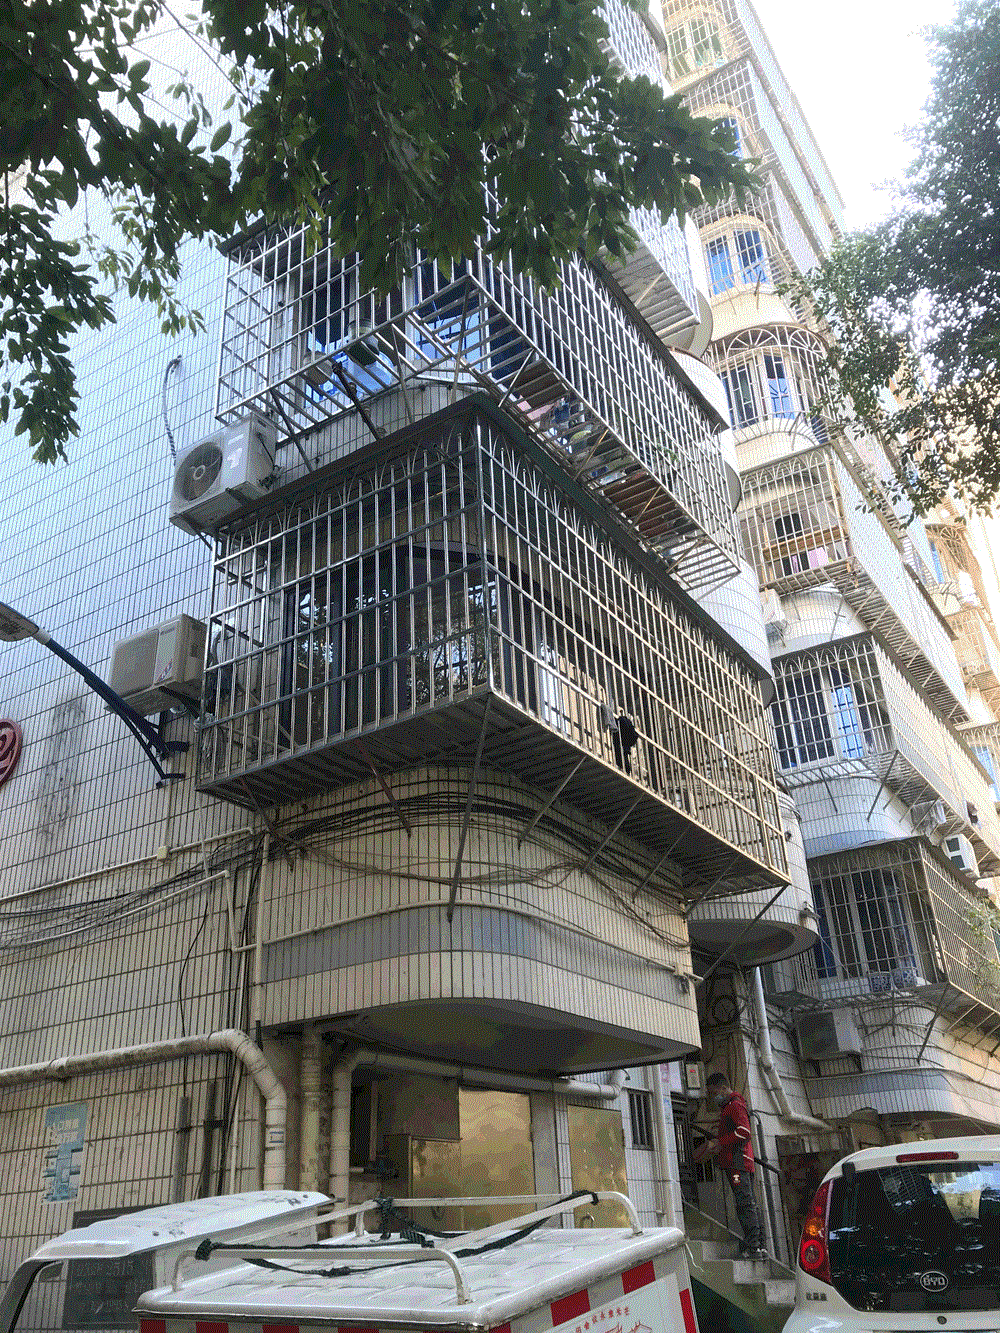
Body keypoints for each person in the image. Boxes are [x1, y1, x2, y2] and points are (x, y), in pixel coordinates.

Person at [694, 1071, 767, 1261]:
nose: (713, 1097)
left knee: (745, 1203)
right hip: (741, 1162)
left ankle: (753, 1246)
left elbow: (744, 1132)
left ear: (723, 1088)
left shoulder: (734, 1106)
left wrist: (721, 1142)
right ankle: (758, 1245)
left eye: (713, 1092)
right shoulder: (733, 1105)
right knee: (749, 1202)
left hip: (737, 1164)